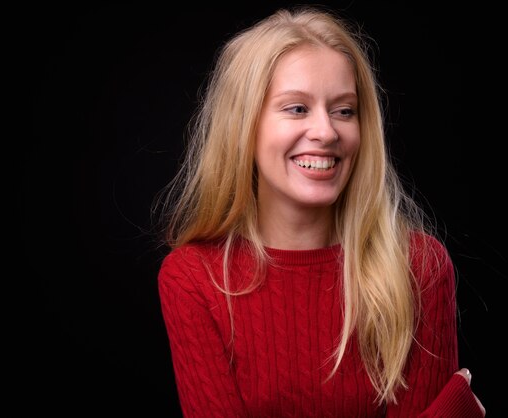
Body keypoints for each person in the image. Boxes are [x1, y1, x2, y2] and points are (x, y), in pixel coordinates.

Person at [155, 6, 485, 417]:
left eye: (344, 110)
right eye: (297, 108)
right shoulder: (192, 279)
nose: (327, 132)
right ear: (244, 126)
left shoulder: (419, 268)